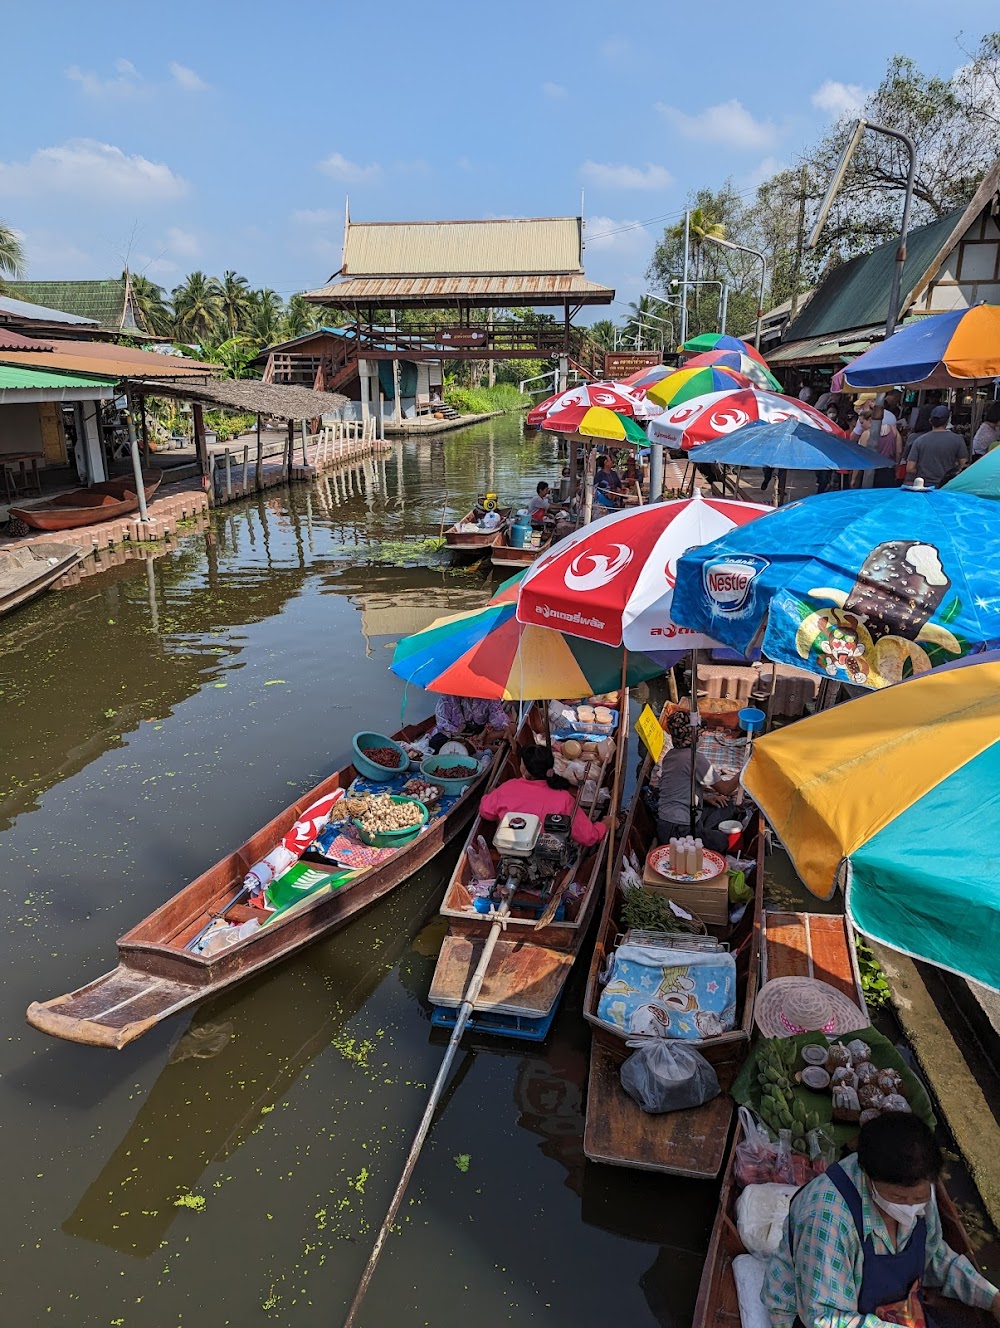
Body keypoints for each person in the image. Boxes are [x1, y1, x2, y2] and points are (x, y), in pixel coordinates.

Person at [763, 1113, 1000, 1328]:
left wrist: (992, 1298)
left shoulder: (920, 1183)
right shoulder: (827, 1217)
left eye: (918, 1198)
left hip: (883, 1310)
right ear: (867, 1175)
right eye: (897, 1197)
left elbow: (934, 1255)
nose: (910, 1207)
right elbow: (825, 1318)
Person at [479, 745, 609, 847]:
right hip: (546, 852)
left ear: (524, 770)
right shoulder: (563, 798)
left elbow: (486, 811)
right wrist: (604, 825)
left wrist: (490, 794)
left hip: (509, 847)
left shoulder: (507, 787)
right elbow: (589, 837)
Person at [656, 711, 739, 853]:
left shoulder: (670, 755)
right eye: (700, 734)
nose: (702, 737)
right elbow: (726, 789)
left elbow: (681, 786)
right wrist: (744, 771)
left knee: (726, 806)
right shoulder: (695, 758)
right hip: (679, 829)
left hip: (664, 825)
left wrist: (707, 798)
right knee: (721, 841)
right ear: (693, 737)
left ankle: (703, 831)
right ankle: (703, 834)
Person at [906, 404, 967, 486]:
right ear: (948, 421)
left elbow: (910, 468)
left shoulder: (919, 440)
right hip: (946, 485)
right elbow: (964, 465)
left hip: (924, 485)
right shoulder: (958, 440)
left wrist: (923, 471)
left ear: (930, 421)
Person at [429, 694, 511, 754]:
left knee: (506, 730)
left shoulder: (488, 696)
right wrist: (462, 738)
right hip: (454, 735)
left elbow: (497, 716)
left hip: (479, 732)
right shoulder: (445, 700)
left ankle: (480, 748)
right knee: (435, 742)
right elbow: (443, 725)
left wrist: (506, 730)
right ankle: (476, 748)